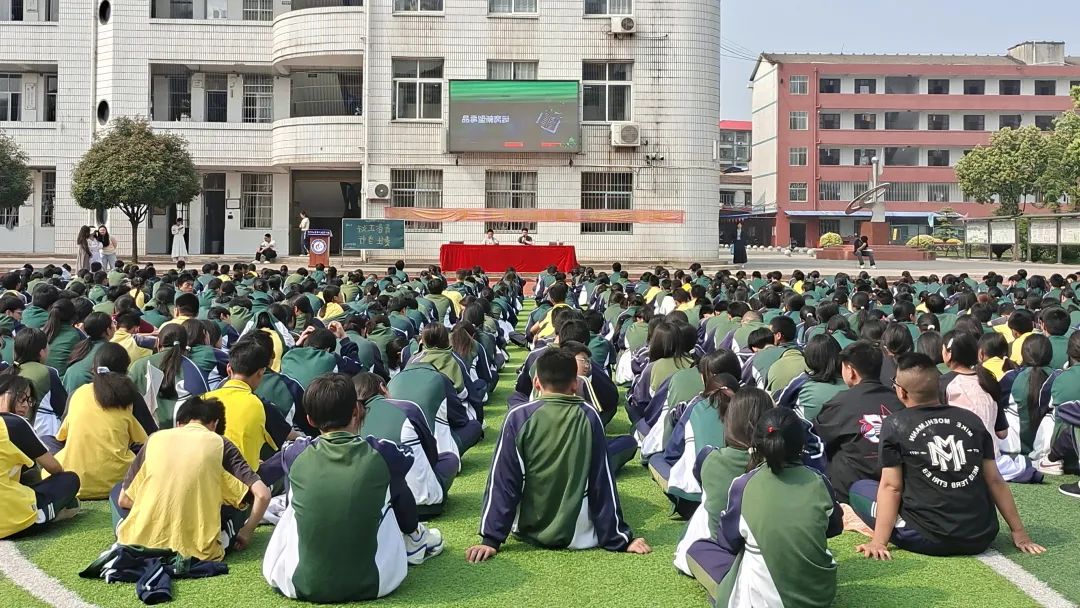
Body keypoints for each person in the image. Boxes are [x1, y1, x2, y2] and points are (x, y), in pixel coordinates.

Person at [262, 374, 443, 603]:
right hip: (378, 582)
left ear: (310, 420)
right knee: (392, 482)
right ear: (356, 411)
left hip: (298, 584)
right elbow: (406, 459)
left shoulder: (295, 452)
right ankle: (415, 537)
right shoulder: (383, 452)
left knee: (293, 501)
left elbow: (262, 475)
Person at [851, 353, 1045, 559]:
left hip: (925, 537)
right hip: (981, 535)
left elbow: (892, 487)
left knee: (859, 489)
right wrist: (1019, 532)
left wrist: (879, 542)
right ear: (939, 387)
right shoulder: (972, 420)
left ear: (901, 391)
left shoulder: (894, 424)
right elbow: (995, 480)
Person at [466, 348, 649, 562]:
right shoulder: (589, 415)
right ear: (575, 384)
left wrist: (490, 539)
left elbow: (503, 480)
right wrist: (619, 538)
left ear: (536, 383)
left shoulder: (517, 416)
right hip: (578, 534)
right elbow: (602, 481)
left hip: (525, 529)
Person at [685, 408, 843, 606]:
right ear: (802, 445)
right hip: (821, 598)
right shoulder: (820, 481)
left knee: (698, 549)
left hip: (767, 601)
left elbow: (728, 542)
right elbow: (834, 528)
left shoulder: (743, 485)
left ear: (757, 445)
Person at [111, 396, 271, 561]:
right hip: (199, 550)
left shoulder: (155, 439)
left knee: (117, 490)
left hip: (141, 543)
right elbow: (262, 495)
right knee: (239, 501)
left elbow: (124, 500)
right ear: (214, 424)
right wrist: (246, 532)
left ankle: (129, 528)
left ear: (178, 423)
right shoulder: (220, 443)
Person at [814, 340, 905, 503]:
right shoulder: (899, 400)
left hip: (851, 493)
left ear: (850, 371)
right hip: (897, 488)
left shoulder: (840, 403)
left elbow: (817, 436)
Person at [53, 345, 148, 499]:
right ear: (125, 370)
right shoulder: (130, 396)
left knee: (48, 441)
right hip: (121, 483)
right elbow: (151, 438)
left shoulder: (77, 393)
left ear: (94, 367)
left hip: (75, 483)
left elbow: (63, 437)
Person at [0, 375, 81, 539]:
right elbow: (55, 469)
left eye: (28, 400)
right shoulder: (14, 424)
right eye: (20, 397)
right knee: (69, 480)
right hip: (10, 519)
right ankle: (46, 515)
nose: (25, 405)